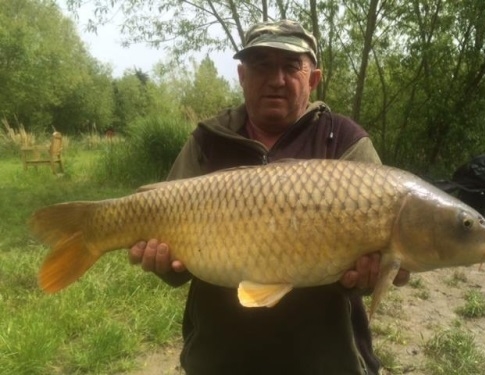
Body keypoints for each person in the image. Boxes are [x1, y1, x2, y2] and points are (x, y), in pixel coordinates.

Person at [129, 20, 409, 375]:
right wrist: (163, 264)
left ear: (313, 79)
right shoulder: (207, 141)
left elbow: (377, 265)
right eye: (262, 64)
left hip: (325, 361)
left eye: (291, 66)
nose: (276, 79)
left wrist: (370, 277)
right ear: (243, 75)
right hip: (220, 360)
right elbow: (176, 265)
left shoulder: (345, 142)